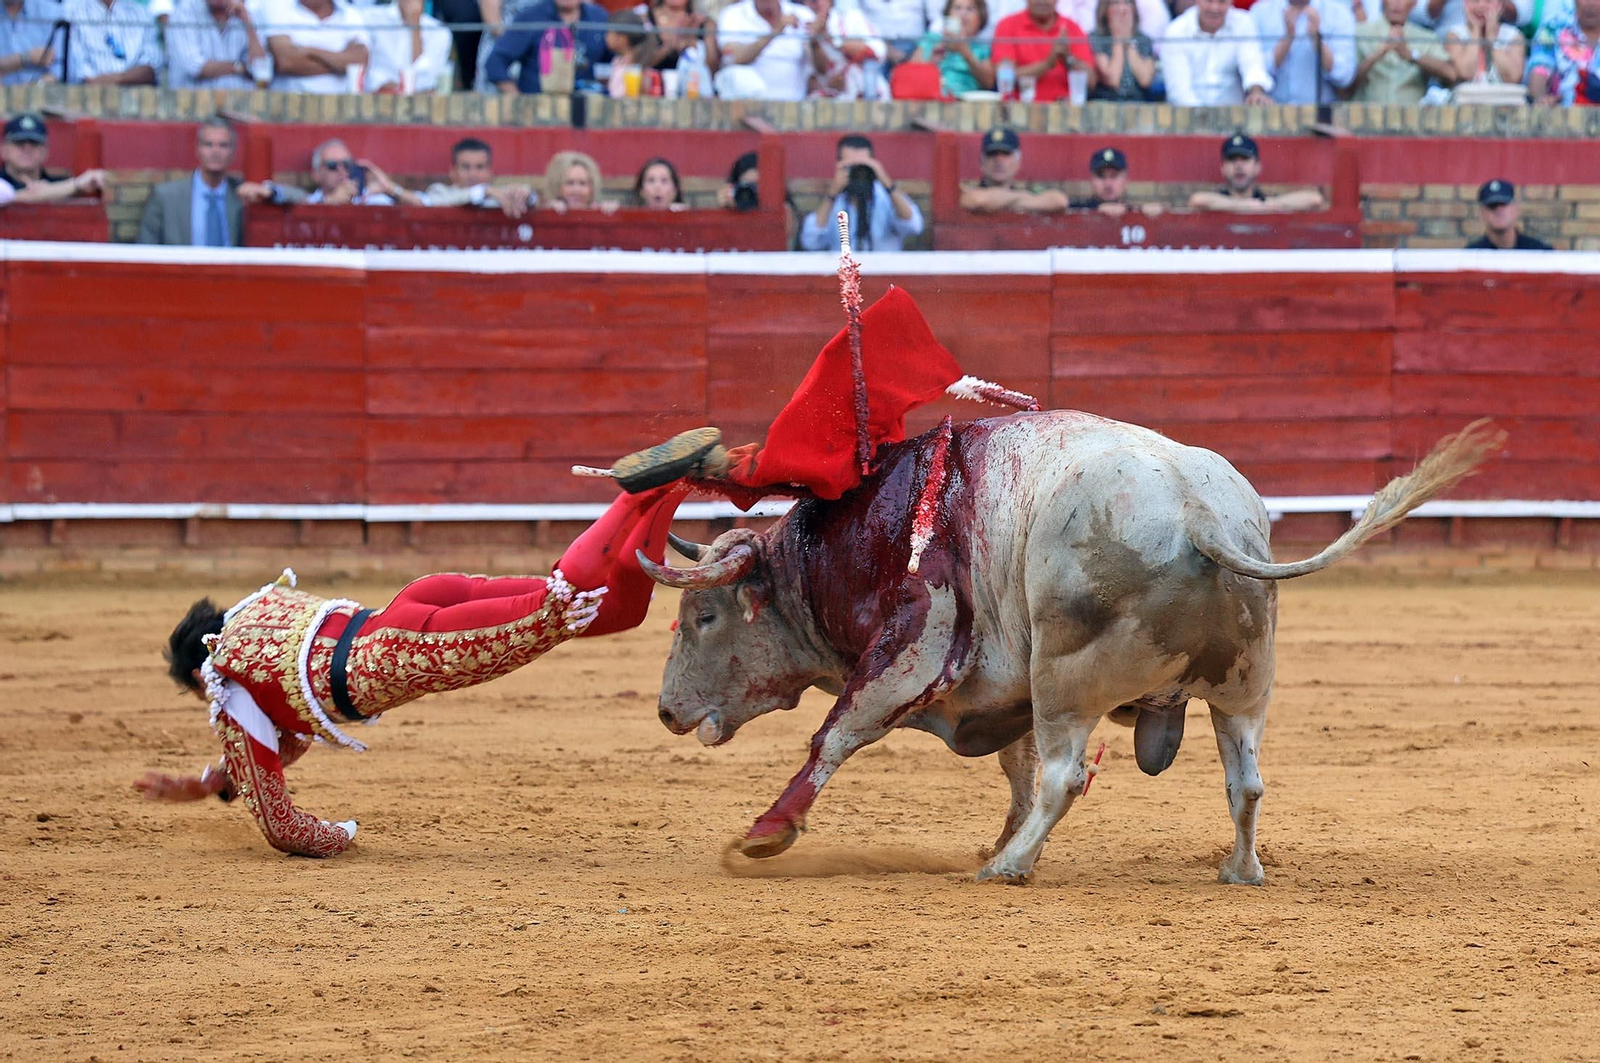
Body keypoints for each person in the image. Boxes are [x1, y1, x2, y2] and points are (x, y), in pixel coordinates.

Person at [134, 487, 688, 857]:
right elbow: (288, 735)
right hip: (410, 604)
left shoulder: (226, 682)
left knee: (561, 604)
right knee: (614, 613)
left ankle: (634, 491)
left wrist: (341, 837)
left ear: (200, 675)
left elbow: (281, 825)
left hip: (395, 661)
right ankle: (671, 489)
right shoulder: (259, 609)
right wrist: (215, 783)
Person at [797, 133, 923, 252]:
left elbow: (914, 226)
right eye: (851, 167)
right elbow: (810, 242)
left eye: (862, 167)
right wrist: (832, 195)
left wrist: (887, 183)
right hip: (845, 272)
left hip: (883, 271)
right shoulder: (835, 201)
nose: (857, 173)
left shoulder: (885, 196)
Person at [136, 118, 249, 246]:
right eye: (208, 144)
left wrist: (269, 192)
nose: (215, 152)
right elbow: (145, 249)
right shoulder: (165, 197)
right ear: (197, 149)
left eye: (223, 145)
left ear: (233, 152)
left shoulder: (241, 195)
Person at [1161, 0, 1273, 105]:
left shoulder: (1243, 23)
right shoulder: (1176, 31)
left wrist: (1256, 91)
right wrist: (1203, 120)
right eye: (1209, 0)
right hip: (1187, 118)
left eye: (1221, 1)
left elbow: (1252, 64)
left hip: (1236, 117)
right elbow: (1179, 92)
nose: (1215, 8)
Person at [488, 0, 612, 94]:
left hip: (586, 112)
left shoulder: (599, 18)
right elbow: (496, 62)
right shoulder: (530, 17)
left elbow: (615, 59)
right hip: (538, 110)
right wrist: (518, 101)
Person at [1188, 132, 1326, 214]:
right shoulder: (1216, 201)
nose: (1239, 165)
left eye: (1245, 159)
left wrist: (1266, 206)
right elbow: (1197, 201)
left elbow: (1315, 200)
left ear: (1257, 167)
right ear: (1223, 168)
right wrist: (1244, 206)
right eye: (1232, 160)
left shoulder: (1264, 202)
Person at [1250, 0, 1357, 104]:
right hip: (1271, 114)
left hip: (1322, 116)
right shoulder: (1259, 12)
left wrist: (1316, 39)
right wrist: (1287, 40)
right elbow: (1251, 72)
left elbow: (1344, 77)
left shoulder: (1339, 14)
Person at [1348, 0, 1455, 103]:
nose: (1397, 3)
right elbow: (1345, 87)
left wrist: (1411, 55)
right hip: (1367, 116)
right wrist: (1378, 53)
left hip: (1412, 117)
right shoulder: (1361, 33)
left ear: (1414, 2)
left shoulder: (1425, 37)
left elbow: (1451, 73)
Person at [989, 0, 1094, 101]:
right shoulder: (1007, 26)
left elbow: (1090, 81)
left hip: (1065, 111)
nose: (1042, 1)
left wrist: (1068, 57)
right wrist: (1047, 64)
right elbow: (1005, 79)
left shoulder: (1073, 28)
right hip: (1019, 111)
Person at [714, 0, 817, 99]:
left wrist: (818, 41)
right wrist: (774, 32)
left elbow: (821, 70)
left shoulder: (803, 14)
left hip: (797, 106)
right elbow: (733, 57)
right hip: (748, 108)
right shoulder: (733, 14)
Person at [265, 0, 372, 93]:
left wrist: (309, 51)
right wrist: (341, 63)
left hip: (340, 107)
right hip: (289, 106)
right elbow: (286, 62)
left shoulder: (350, 14)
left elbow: (360, 62)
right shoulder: (280, 9)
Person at [0, 113, 109, 203]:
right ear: (3, 150)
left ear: (45, 151)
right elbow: (12, 197)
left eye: (34, 143)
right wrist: (75, 185)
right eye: (19, 143)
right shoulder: (69, 186)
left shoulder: (60, 182)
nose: (27, 149)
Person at [958, 126, 1068, 213]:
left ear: (1018, 162)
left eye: (1006, 154)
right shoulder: (972, 191)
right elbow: (977, 200)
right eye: (992, 154)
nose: (998, 160)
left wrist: (998, 202)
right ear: (982, 161)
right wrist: (1024, 198)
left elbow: (1059, 201)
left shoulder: (1030, 190)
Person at [421, 137, 535, 217]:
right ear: (453, 171)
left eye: (480, 167)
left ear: (490, 172)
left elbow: (532, 199)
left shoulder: (499, 196)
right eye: (466, 167)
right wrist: (484, 191)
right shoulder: (438, 191)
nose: (473, 174)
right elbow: (432, 201)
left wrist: (524, 195)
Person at [164, 0, 266, 90]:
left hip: (242, 104)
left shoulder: (249, 13)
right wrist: (239, 67)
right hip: (193, 104)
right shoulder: (185, 11)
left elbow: (261, 68)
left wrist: (246, 21)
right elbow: (195, 67)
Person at [804, 0, 888, 98]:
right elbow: (819, 73)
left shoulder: (851, 17)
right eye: (810, 1)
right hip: (834, 97)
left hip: (867, 92)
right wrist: (816, 41)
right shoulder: (803, 26)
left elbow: (875, 52)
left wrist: (830, 39)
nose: (815, 3)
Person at [365, 0, 454, 93]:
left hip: (419, 102)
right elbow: (364, 72)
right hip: (373, 98)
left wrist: (415, 27)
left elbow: (427, 82)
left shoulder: (439, 32)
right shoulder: (370, 18)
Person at [61, 0, 159, 84]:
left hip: (134, 98)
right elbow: (77, 70)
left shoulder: (141, 14)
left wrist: (119, 79)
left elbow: (152, 67)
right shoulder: (72, 12)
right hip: (86, 98)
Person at [912, 0, 994, 95]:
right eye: (957, 8)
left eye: (970, 9)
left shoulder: (983, 48)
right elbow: (909, 77)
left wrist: (965, 52)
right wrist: (931, 61)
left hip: (965, 104)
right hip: (929, 100)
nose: (963, 14)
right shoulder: (932, 40)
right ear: (948, 14)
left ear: (981, 17)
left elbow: (988, 83)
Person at [1527, 0, 1599, 106]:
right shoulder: (1553, 29)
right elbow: (1539, 70)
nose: (1590, 3)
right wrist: (1541, 98)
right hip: (1563, 113)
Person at [1089, 0, 1157, 100]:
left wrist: (1129, 41)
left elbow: (1145, 79)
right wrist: (1118, 40)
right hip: (1106, 105)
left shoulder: (1143, 40)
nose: (1122, 9)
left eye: (1128, 3)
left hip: (1139, 105)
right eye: (1115, 3)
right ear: (1104, 9)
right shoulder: (1095, 38)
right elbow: (1112, 79)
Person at [1445, 0, 1526, 84]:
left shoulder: (1514, 36)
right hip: (1467, 95)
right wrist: (1476, 31)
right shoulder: (1455, 35)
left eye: (1488, 1)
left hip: (1502, 95)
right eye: (1475, 1)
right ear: (1466, 4)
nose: (1481, 6)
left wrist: (1491, 37)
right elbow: (1466, 74)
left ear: (1500, 5)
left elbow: (1513, 78)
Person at [1069, 146, 1162, 217]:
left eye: (1114, 176)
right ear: (1091, 180)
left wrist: (1148, 213)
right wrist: (1097, 210)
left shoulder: (1136, 212)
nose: (1108, 184)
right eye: (1101, 176)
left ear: (1126, 181)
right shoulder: (1074, 211)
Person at [1466, 179, 1553, 248]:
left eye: (1504, 204)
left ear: (1515, 210)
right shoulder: (1471, 256)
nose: (1499, 211)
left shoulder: (1538, 253)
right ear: (1482, 213)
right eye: (1492, 206)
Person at [0, 0, 59, 86]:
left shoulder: (51, 11)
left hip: (44, 95)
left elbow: (61, 70)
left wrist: (32, 89)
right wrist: (26, 58)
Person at [543, 150, 619, 213]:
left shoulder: (599, 209)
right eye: (570, 183)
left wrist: (612, 212)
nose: (577, 190)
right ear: (556, 185)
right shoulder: (547, 209)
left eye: (583, 183)